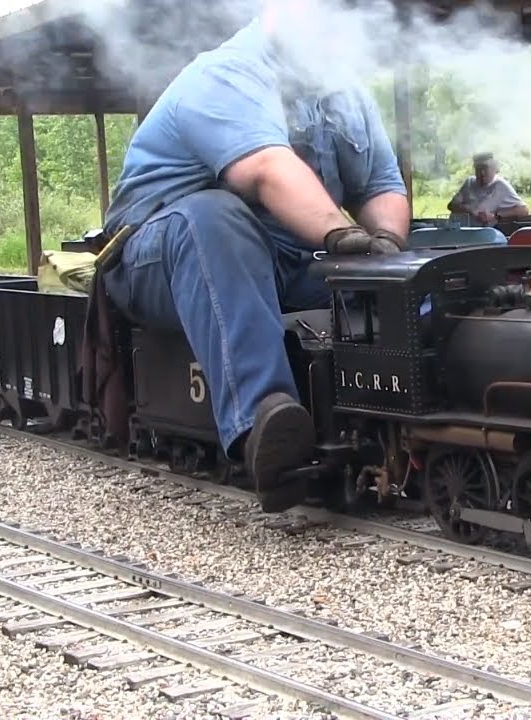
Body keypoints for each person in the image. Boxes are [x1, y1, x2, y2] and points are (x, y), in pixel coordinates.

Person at [98, 0, 410, 513]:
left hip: (284, 260)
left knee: (407, 269)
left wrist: (387, 254)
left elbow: (382, 185)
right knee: (213, 218)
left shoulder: (345, 92)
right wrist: (340, 235)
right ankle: (264, 419)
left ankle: (395, 420)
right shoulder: (224, 74)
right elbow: (266, 167)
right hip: (159, 258)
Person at [446, 153, 530, 226]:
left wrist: (495, 216)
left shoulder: (501, 185)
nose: (482, 173)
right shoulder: (469, 182)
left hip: (483, 234)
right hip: (459, 230)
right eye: (478, 169)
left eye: (485, 168)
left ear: (494, 169)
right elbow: (451, 205)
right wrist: (470, 210)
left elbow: (524, 210)